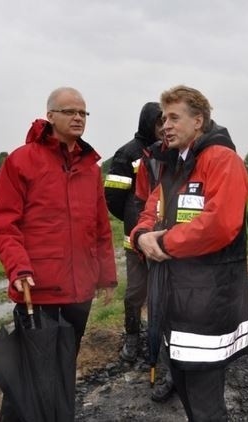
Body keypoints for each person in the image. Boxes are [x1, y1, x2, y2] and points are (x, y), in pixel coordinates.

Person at [0, 86, 117, 420]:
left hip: (80, 292)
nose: (78, 118)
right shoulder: (21, 161)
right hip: (39, 289)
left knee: (64, 367)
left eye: (83, 113)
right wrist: (18, 269)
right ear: (50, 116)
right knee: (30, 375)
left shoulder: (90, 167)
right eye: (70, 111)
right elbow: (5, 224)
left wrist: (105, 277)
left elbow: (100, 226)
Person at [131, 85, 248, 421]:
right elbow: (151, 207)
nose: (165, 125)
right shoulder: (173, 165)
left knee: (206, 405)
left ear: (198, 121)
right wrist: (141, 237)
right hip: (175, 300)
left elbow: (220, 224)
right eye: (163, 118)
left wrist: (165, 243)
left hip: (208, 304)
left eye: (174, 117)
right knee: (184, 389)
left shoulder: (222, 161)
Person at [103, 102, 174, 402]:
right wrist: (135, 223)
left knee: (168, 297)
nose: (164, 128)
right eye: (159, 123)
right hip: (137, 240)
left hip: (167, 240)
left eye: (167, 122)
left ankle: (165, 350)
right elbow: (114, 199)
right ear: (148, 124)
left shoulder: (173, 151)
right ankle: (132, 338)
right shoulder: (127, 154)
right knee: (135, 293)